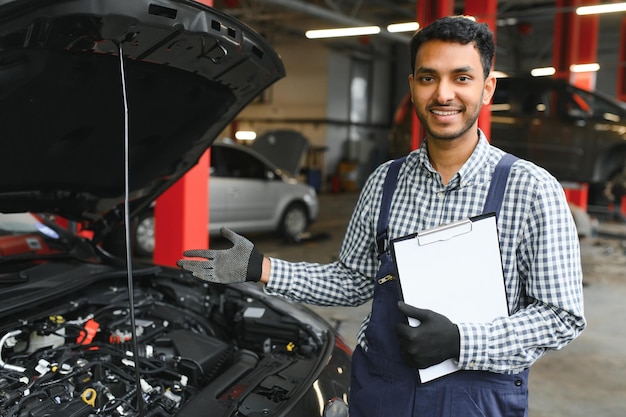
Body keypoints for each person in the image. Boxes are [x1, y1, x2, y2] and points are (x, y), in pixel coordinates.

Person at [177, 16, 586, 417]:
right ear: (413, 87)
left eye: (461, 78)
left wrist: (463, 340)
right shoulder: (385, 182)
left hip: (475, 399)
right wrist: (261, 268)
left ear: (487, 88)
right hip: (381, 391)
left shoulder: (531, 189)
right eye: (428, 78)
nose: (444, 94)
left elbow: (561, 316)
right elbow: (354, 281)